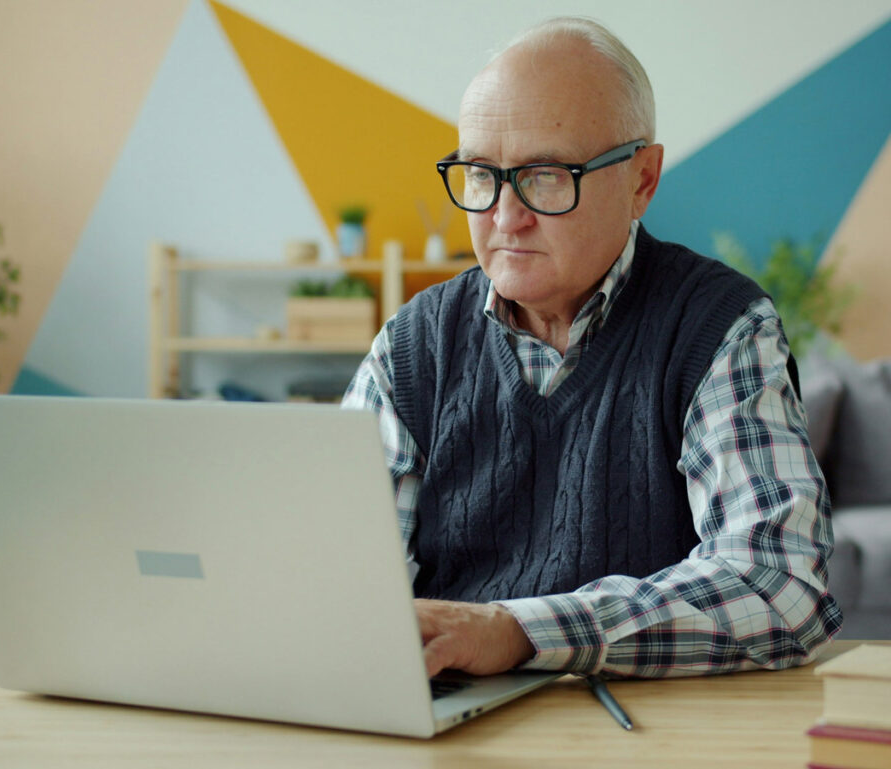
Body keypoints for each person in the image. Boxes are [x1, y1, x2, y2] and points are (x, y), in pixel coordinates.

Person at [342, 17, 842, 679]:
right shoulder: (413, 345)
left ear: (642, 179)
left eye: (546, 176)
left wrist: (519, 630)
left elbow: (778, 584)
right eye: (480, 175)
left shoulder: (718, 327)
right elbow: (334, 578)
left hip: (644, 728)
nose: (503, 216)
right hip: (447, 721)